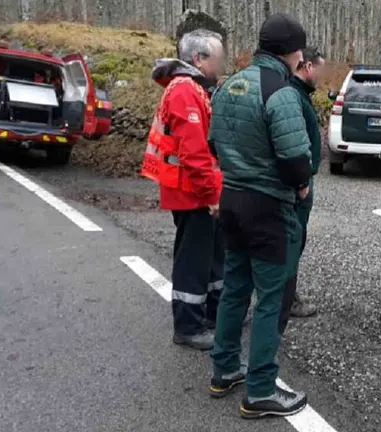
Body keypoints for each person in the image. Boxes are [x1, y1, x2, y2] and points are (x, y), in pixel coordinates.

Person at [207, 13, 312, 418]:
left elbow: (215, 144)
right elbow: (295, 159)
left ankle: (224, 369)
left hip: (232, 198)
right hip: (268, 207)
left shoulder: (229, 84)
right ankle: (261, 390)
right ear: (293, 51)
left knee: (235, 286)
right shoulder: (280, 91)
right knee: (270, 299)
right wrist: (301, 184)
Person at [140, 29, 226, 351]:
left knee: (213, 255)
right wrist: (212, 196)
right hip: (192, 194)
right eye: (216, 58)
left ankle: (215, 313)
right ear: (198, 59)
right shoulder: (185, 92)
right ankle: (188, 326)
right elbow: (194, 154)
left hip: (197, 192)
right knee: (193, 260)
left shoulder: (194, 89)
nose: (220, 64)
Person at [278, 46, 326, 331]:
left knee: (294, 242)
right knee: (291, 244)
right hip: (298, 187)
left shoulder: (298, 94)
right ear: (307, 67)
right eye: (319, 69)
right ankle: (285, 302)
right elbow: (292, 144)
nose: (320, 76)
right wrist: (300, 183)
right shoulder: (293, 96)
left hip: (301, 183)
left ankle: (285, 297)